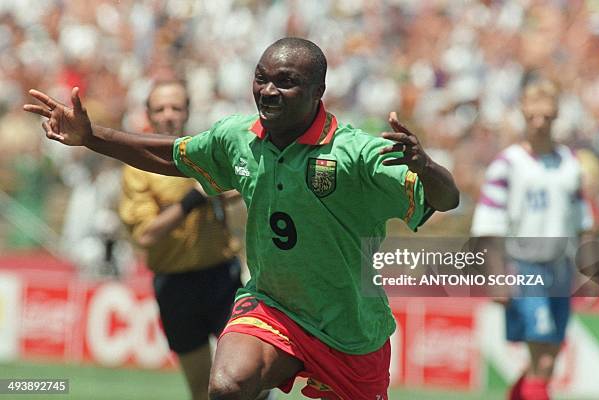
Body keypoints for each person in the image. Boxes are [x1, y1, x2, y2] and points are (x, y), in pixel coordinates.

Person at [24, 37, 459, 400]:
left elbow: (446, 198)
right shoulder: (237, 138)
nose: (268, 90)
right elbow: (170, 154)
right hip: (274, 307)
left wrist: (427, 167)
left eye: (286, 82)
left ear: (318, 90)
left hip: (351, 329)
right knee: (228, 385)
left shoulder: (355, 154)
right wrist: (90, 136)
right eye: (261, 78)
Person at [117, 78, 247, 400]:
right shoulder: (139, 168)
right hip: (175, 284)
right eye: (160, 108)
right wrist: (193, 199)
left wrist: (221, 191)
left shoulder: (204, 152)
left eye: (176, 107)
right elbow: (145, 233)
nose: (169, 115)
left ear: (187, 112)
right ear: (148, 114)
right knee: (201, 388)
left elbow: (239, 185)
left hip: (222, 276)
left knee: (244, 376)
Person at [471, 79, 596, 400]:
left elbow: (583, 221)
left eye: (547, 117)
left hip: (560, 268)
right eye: (533, 117)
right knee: (541, 354)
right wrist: (495, 276)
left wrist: (590, 270)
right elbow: (488, 227)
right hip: (525, 268)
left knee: (548, 357)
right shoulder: (507, 164)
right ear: (524, 115)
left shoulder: (570, 163)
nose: (540, 123)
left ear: (556, 116)